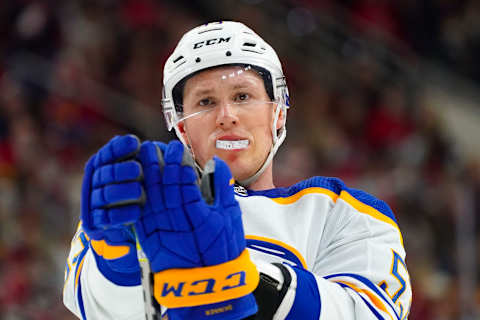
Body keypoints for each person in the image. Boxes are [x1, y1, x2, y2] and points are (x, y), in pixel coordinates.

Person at [63, 21, 412, 320]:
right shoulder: (132, 210)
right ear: (182, 129)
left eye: (243, 96)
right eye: (205, 102)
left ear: (278, 112)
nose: (226, 115)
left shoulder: (343, 213)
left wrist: (242, 279)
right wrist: (116, 261)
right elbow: (99, 313)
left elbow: (365, 312)